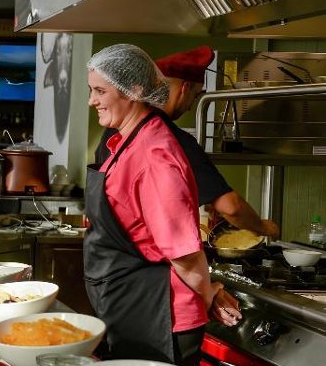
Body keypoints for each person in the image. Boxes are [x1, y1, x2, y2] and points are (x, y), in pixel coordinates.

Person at [84, 43, 233, 366]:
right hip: (131, 308)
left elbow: (184, 255)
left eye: (100, 91)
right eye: (92, 90)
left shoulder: (155, 156)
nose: (92, 100)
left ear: (135, 90)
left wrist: (208, 295)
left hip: (160, 318)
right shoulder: (126, 141)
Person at [94, 45, 280, 239]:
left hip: (104, 249)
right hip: (143, 254)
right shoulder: (174, 140)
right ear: (184, 89)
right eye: (196, 95)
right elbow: (231, 207)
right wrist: (263, 227)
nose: (191, 106)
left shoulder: (114, 129)